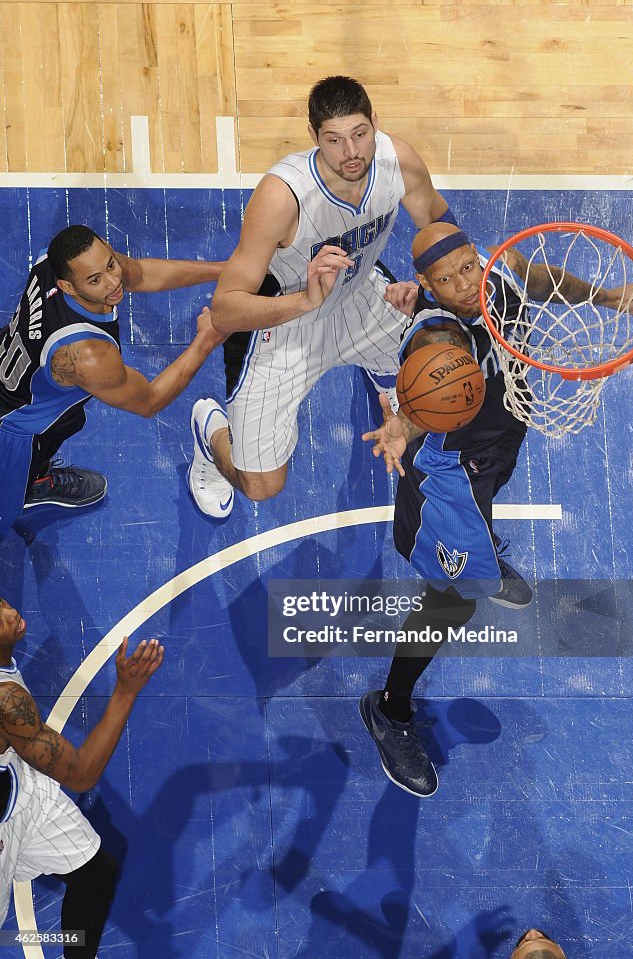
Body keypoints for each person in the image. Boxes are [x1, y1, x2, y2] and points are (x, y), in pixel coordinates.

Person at [360, 221, 633, 797]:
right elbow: (427, 382)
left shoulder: (491, 275)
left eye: (470, 266)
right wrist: (399, 421)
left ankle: (484, 549)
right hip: (446, 483)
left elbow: (533, 278)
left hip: (494, 451)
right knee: (453, 603)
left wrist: (609, 295)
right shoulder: (436, 335)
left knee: (481, 530)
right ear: (425, 284)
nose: (466, 285)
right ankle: (390, 711)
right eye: (446, 279)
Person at [187, 74, 456, 518]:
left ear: (375, 122)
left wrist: (427, 285)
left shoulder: (397, 160)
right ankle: (210, 432)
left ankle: (386, 373)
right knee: (261, 485)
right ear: (313, 136)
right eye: (334, 140)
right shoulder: (283, 196)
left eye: (359, 135)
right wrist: (304, 302)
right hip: (283, 325)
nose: (351, 153)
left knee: (443, 352)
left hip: (362, 298)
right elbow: (225, 308)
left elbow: (442, 233)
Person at [0, 225, 224, 538]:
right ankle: (25, 485)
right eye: (95, 280)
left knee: (68, 419)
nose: (113, 281)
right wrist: (207, 339)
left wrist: (222, 271)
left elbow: (140, 273)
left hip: (25, 382)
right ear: (67, 286)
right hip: (11, 435)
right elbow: (149, 401)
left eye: (109, 264)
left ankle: (35, 478)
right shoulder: (89, 358)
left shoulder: (52, 263)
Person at [0, 595, 163, 957]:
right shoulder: (7, 702)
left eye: (1, 602)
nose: (12, 613)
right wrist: (125, 691)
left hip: (21, 782)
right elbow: (80, 773)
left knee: (95, 872)